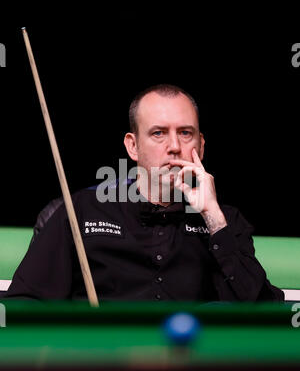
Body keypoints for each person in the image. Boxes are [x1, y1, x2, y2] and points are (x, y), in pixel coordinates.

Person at [0, 84, 284, 301]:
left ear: (201, 145)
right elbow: (24, 303)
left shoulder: (225, 222)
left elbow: (260, 311)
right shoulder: (79, 213)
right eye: (158, 133)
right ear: (132, 146)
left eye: (186, 133)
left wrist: (213, 218)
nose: (174, 146)